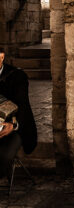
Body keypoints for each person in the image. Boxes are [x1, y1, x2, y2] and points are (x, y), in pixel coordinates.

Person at [0, 46, 37, 179]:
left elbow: (23, 107)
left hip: (16, 128)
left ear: (1, 56)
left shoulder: (17, 76)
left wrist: (13, 125)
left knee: (3, 156)